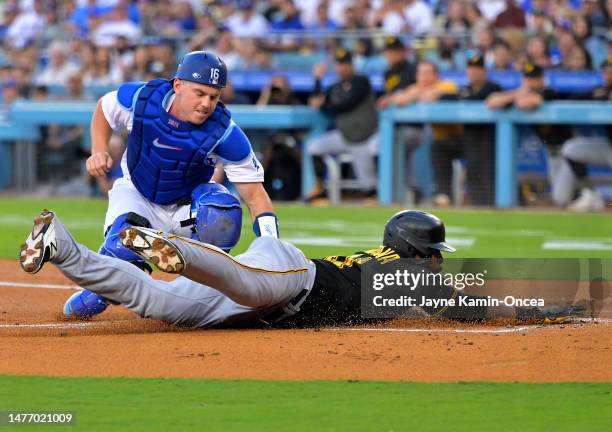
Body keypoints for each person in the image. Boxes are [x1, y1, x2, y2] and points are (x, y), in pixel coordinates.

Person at [20, 207, 584, 328]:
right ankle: (166, 243)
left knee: (158, 303)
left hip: (265, 302)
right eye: (435, 253)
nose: (438, 262)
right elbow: (471, 304)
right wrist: (542, 308)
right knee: (243, 280)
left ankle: (64, 247)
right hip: (292, 276)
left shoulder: (385, 268)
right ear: (418, 252)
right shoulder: (407, 277)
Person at [64, 51, 279, 319]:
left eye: (214, 96)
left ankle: (200, 292)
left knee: (222, 211)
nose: (206, 104)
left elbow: (256, 196)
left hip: (185, 208)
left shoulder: (225, 133)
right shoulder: (142, 99)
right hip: (137, 194)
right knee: (123, 248)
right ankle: (95, 294)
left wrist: (273, 247)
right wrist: (98, 149)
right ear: (178, 85)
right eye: (199, 93)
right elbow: (104, 109)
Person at [306, 48, 379, 202]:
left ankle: (374, 197)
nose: (342, 68)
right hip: (344, 136)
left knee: (369, 186)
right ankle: (320, 188)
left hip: (363, 138)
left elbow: (346, 103)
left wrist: (324, 105)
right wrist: (317, 80)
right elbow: (319, 102)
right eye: (339, 64)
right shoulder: (335, 87)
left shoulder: (361, 81)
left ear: (351, 65)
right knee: (314, 147)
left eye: (345, 64)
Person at [441, 51, 502, 205]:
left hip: (490, 142)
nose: (473, 72)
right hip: (470, 141)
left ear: (484, 71)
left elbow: (477, 98)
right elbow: (448, 98)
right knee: (473, 177)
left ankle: (494, 207)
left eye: (477, 68)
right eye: (470, 69)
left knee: (488, 178)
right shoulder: (465, 89)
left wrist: (461, 98)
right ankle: (471, 205)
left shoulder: (493, 87)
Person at [551, 57, 612, 212]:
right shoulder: (601, 90)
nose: (607, 74)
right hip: (609, 148)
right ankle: (589, 193)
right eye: (606, 71)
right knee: (572, 148)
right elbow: (574, 100)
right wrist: (600, 97)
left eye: (610, 71)